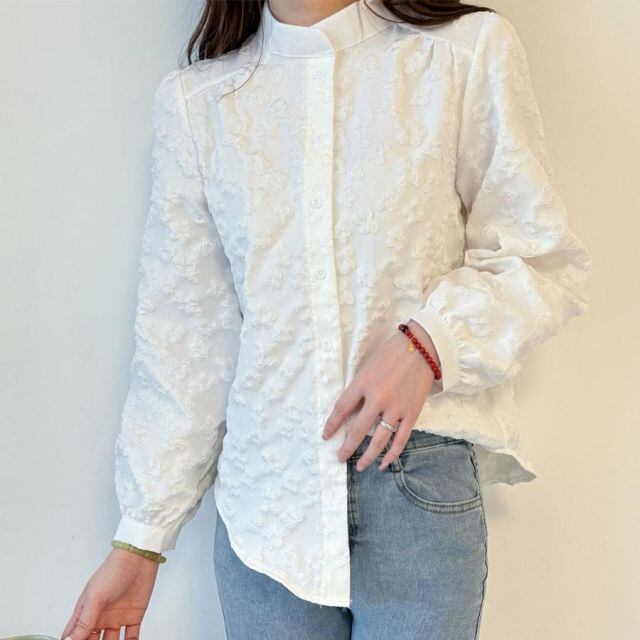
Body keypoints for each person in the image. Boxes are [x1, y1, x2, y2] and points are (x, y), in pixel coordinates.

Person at [61, 0, 592, 638]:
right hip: (263, 513)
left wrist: (428, 344)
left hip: (415, 488)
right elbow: (185, 345)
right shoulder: (199, 105)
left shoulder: (462, 53)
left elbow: (536, 256)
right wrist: (141, 538)